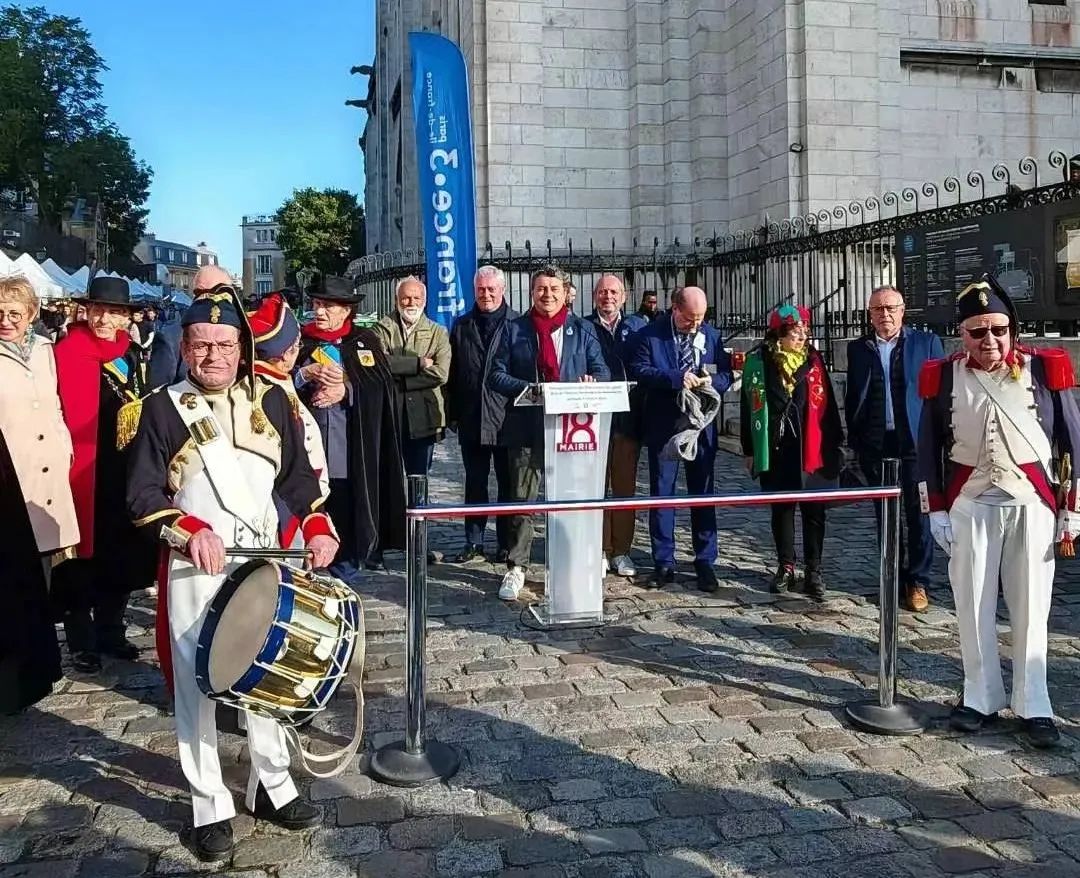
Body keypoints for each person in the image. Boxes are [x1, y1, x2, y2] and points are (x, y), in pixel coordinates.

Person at [127, 289, 336, 860]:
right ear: (184, 349)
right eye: (201, 345)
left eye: (224, 344)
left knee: (266, 674)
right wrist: (188, 529)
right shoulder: (162, 408)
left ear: (241, 348)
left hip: (264, 559)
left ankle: (271, 784)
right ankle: (208, 805)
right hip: (196, 564)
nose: (213, 355)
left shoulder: (273, 399)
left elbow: (298, 478)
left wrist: (317, 524)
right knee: (198, 683)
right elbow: (142, 494)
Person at [918, 274, 1080, 749]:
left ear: (1012, 329)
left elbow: (1073, 441)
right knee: (972, 605)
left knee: (1032, 607)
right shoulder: (942, 375)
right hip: (970, 502)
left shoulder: (1045, 368)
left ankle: (1034, 704)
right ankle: (980, 696)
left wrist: (1072, 508)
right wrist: (935, 508)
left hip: (1031, 502)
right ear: (962, 334)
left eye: (998, 329)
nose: (989, 339)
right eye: (977, 331)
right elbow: (927, 448)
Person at [488, 264, 610, 600]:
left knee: (571, 499)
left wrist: (592, 381)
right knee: (522, 498)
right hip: (526, 428)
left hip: (571, 430)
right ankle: (516, 567)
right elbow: (496, 375)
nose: (548, 295)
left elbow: (601, 370)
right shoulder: (514, 329)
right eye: (541, 289)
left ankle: (572, 562)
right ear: (532, 292)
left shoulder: (582, 329)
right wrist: (528, 389)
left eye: (554, 289)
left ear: (566, 293)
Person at [53, 275, 155, 673]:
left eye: (113, 312)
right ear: (87, 310)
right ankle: (82, 641)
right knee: (79, 561)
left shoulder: (130, 353)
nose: (103, 319)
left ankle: (112, 631)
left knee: (119, 554)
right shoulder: (66, 351)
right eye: (97, 310)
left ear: (126, 317)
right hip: (80, 469)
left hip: (122, 468)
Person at [297, 275, 406, 581]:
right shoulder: (300, 340)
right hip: (305, 449)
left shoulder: (364, 341)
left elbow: (381, 386)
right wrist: (304, 375)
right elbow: (276, 381)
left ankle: (344, 572)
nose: (319, 311)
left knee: (344, 509)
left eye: (327, 306)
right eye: (317, 304)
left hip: (348, 449)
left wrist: (346, 390)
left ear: (346, 310)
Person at [846, 286, 944, 612]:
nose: (884, 314)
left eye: (890, 308)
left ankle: (918, 581)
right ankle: (893, 577)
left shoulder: (925, 343)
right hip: (877, 441)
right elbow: (854, 396)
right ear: (869, 314)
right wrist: (856, 440)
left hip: (915, 441)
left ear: (903, 310)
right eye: (877, 309)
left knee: (919, 514)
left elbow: (940, 394)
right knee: (885, 515)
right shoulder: (859, 349)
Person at [630, 286, 734, 592]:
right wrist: (676, 378)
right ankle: (664, 561)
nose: (695, 324)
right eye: (690, 318)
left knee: (702, 494)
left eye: (700, 318)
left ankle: (705, 560)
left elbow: (726, 374)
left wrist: (711, 380)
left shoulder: (711, 335)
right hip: (666, 425)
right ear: (674, 309)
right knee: (663, 495)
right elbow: (639, 370)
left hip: (701, 427)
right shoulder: (650, 335)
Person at [741, 305, 844, 600]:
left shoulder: (813, 361)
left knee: (814, 511)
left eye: (804, 331)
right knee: (782, 509)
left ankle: (814, 570)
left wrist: (836, 443)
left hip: (811, 446)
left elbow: (829, 405)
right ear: (778, 334)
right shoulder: (759, 362)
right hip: (778, 447)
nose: (801, 337)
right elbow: (749, 408)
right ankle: (785, 566)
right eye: (794, 332)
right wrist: (749, 449)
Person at [0, 275, 80, 568]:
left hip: (49, 469)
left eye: (14, 314)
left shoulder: (44, 349)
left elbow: (54, 403)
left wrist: (64, 446)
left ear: (32, 313)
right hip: (12, 474)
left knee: (46, 561)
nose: (6, 321)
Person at [247, 291, 331, 544]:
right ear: (286, 353)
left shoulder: (268, 383)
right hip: (284, 507)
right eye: (297, 346)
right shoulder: (274, 394)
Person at [447, 265, 517, 563]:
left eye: (491, 289)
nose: (485, 294)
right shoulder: (462, 325)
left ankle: (505, 542)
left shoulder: (517, 324)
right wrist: (452, 414)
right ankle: (473, 541)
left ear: (502, 290)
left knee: (507, 484)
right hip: (472, 417)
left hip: (507, 419)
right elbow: (452, 373)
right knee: (475, 482)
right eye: (480, 289)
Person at [585, 273, 648, 577]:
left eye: (613, 292)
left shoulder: (637, 327)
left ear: (624, 297)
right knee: (595, 487)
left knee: (624, 487)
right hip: (593, 419)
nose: (607, 297)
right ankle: (599, 548)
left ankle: (621, 551)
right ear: (594, 296)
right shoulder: (582, 327)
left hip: (627, 419)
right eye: (602, 292)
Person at [374, 277, 451, 476]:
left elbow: (441, 373)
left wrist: (402, 381)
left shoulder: (438, 332)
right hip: (390, 414)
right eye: (406, 298)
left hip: (424, 418)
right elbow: (378, 365)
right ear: (396, 300)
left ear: (424, 301)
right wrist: (419, 364)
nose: (411, 303)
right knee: (389, 477)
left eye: (416, 298)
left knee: (419, 478)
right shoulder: (381, 329)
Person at [150, 266, 231, 387]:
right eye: (202, 293)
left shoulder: (247, 335)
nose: (211, 299)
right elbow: (159, 391)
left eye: (220, 292)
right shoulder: (171, 336)